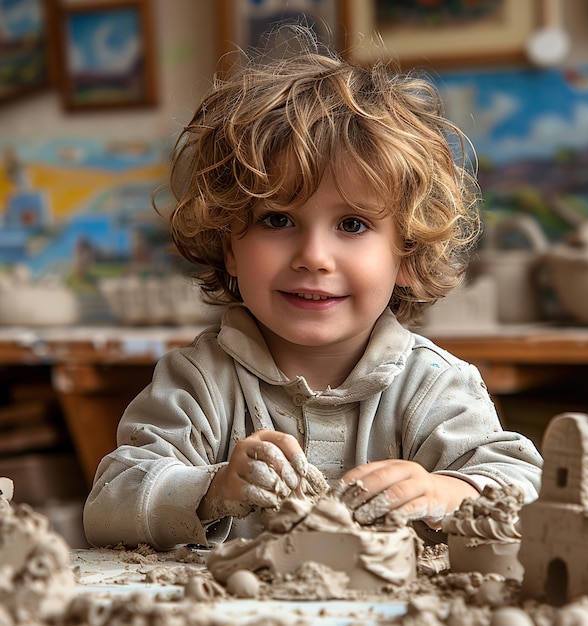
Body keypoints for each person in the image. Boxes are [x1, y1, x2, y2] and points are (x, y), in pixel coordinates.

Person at [83, 26, 542, 550]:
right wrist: (212, 489)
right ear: (228, 245)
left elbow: (527, 491)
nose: (313, 257)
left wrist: (445, 490)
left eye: (352, 226)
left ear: (407, 256)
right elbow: (108, 504)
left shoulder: (435, 386)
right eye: (277, 220)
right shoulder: (198, 381)